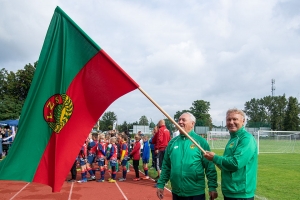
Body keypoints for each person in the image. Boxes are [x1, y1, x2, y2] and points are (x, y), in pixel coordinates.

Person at [156, 112, 218, 200]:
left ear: (192, 124)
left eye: (183, 120)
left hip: (196, 193)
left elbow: (209, 167)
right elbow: (166, 166)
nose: (180, 122)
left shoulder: (201, 142)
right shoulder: (172, 143)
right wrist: (161, 184)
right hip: (177, 192)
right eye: (179, 120)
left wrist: (212, 187)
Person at [204, 108, 258, 200]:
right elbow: (226, 166)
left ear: (243, 121)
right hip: (230, 191)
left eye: (235, 119)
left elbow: (236, 163)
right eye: (229, 119)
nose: (231, 122)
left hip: (240, 193)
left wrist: (215, 158)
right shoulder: (233, 139)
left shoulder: (246, 139)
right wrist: (213, 159)